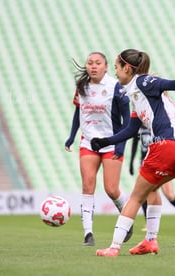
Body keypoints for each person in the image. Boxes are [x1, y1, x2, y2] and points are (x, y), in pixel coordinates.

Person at [90, 49, 175, 257]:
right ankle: (150, 241)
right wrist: (106, 141)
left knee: (134, 197)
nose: (115, 72)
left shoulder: (142, 81)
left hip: (169, 146)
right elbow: (131, 130)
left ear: (127, 68)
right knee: (151, 190)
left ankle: (113, 247)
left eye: (116, 67)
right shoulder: (136, 94)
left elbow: (168, 83)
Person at [64, 52, 132, 246]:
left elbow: (127, 119)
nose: (93, 66)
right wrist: (71, 137)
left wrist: (121, 143)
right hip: (88, 143)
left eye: (98, 63)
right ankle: (88, 234)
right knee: (88, 184)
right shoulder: (81, 87)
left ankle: (126, 217)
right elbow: (79, 112)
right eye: (90, 63)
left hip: (111, 142)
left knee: (111, 189)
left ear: (106, 66)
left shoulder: (115, 86)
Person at [130, 125, 175, 229]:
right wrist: (131, 162)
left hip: (161, 162)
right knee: (143, 192)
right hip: (146, 163)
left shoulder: (157, 122)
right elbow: (135, 143)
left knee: (169, 194)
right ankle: (148, 222)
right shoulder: (138, 125)